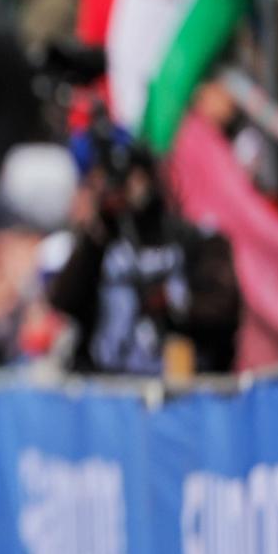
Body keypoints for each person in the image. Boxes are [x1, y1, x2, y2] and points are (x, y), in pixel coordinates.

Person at [46, 125, 241, 377]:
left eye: (131, 177)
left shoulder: (192, 239)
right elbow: (63, 300)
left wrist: (174, 308)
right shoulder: (101, 241)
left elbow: (224, 310)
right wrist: (97, 236)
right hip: (108, 391)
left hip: (182, 390)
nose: (123, 189)